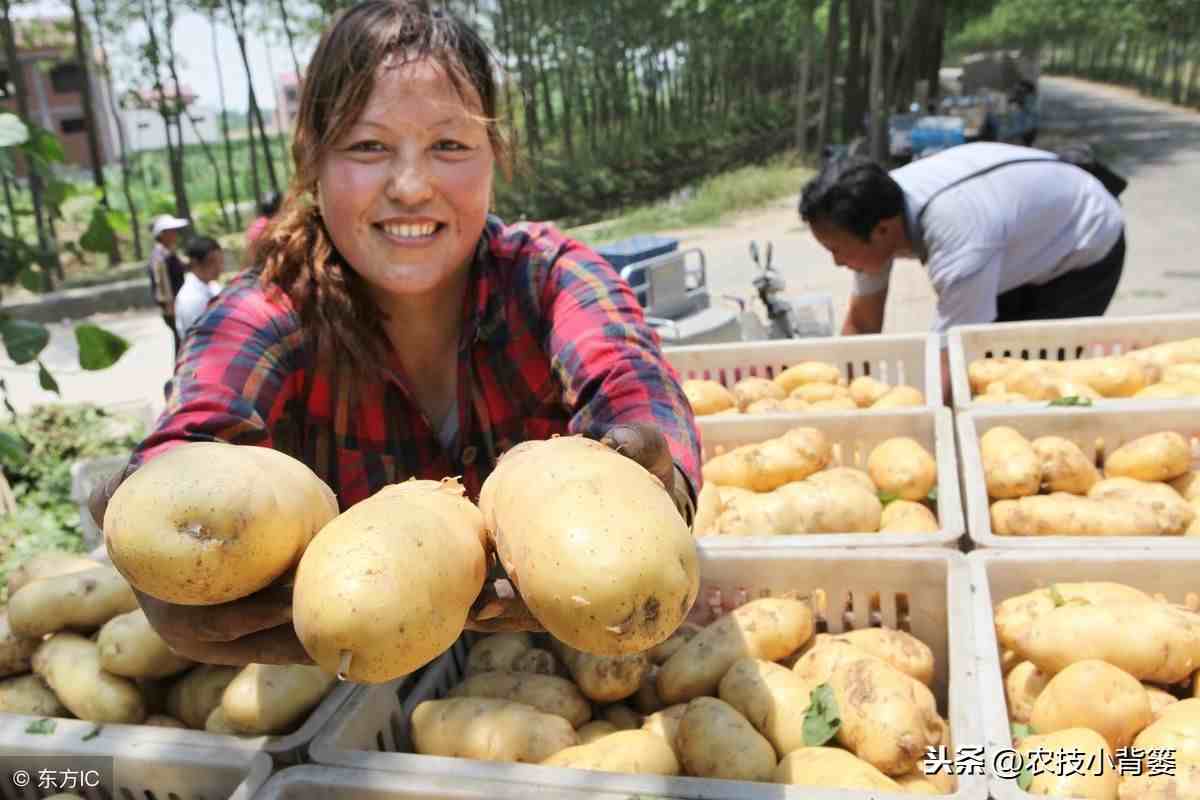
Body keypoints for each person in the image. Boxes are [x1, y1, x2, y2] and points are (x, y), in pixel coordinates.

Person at [89, 0, 701, 668]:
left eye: (449, 145)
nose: (411, 186)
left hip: (568, 652)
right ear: (312, 162)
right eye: (368, 147)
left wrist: (656, 486)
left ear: (494, 157)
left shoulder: (550, 278)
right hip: (347, 677)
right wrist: (162, 531)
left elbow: (633, 389)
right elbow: (200, 430)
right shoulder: (265, 311)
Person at [798, 141, 1126, 399]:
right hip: (1014, 235)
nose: (837, 263)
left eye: (836, 250)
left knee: (1026, 380)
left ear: (882, 231)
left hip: (1084, 241)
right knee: (990, 367)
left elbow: (951, 358)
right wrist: (840, 393)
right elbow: (863, 323)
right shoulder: (871, 208)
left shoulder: (959, 239)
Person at [147, 214, 190, 356]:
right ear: (163, 234)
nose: (175, 234)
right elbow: (162, 285)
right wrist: (171, 308)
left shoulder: (168, 252)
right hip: (172, 308)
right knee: (183, 344)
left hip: (176, 306)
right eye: (172, 231)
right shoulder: (160, 257)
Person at [174, 236, 225, 342]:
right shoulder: (191, 299)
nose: (219, 267)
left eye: (220, 261)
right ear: (195, 263)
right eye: (212, 262)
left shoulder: (213, 286)